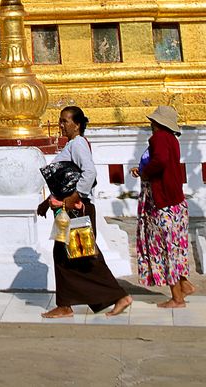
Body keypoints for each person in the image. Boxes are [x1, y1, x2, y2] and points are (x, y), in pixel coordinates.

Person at [38, 106, 132, 318]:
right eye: (61, 121)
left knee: (85, 256)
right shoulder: (72, 145)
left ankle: (118, 296)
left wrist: (75, 196)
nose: (61, 125)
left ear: (77, 124)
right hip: (67, 209)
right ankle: (66, 304)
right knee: (65, 255)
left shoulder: (78, 143)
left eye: (65, 121)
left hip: (76, 210)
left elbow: (89, 172)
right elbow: (65, 182)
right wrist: (48, 202)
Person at [132, 105, 195, 308]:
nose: (151, 125)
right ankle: (183, 285)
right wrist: (143, 169)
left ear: (157, 123)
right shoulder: (172, 140)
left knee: (164, 249)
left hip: (163, 204)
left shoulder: (159, 138)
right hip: (174, 202)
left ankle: (177, 298)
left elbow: (160, 161)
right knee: (174, 248)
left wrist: (145, 172)